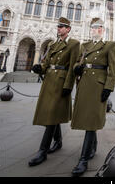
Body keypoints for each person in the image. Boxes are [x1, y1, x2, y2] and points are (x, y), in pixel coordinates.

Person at [28, 17, 80, 167]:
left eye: (62, 27)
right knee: (51, 113)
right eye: (58, 26)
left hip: (61, 83)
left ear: (68, 29)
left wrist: (68, 85)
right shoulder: (52, 44)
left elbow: (73, 66)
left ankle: (42, 151)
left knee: (51, 115)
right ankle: (58, 141)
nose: (59, 29)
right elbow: (47, 63)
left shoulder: (74, 44)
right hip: (49, 82)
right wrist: (40, 69)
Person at [71, 17, 115, 177]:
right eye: (92, 27)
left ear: (102, 30)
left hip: (98, 87)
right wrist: (77, 68)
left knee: (91, 121)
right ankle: (93, 146)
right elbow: (77, 62)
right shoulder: (85, 46)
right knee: (87, 119)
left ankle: (83, 160)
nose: (94, 30)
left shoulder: (109, 46)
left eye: (97, 27)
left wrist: (108, 87)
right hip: (84, 85)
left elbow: (113, 69)